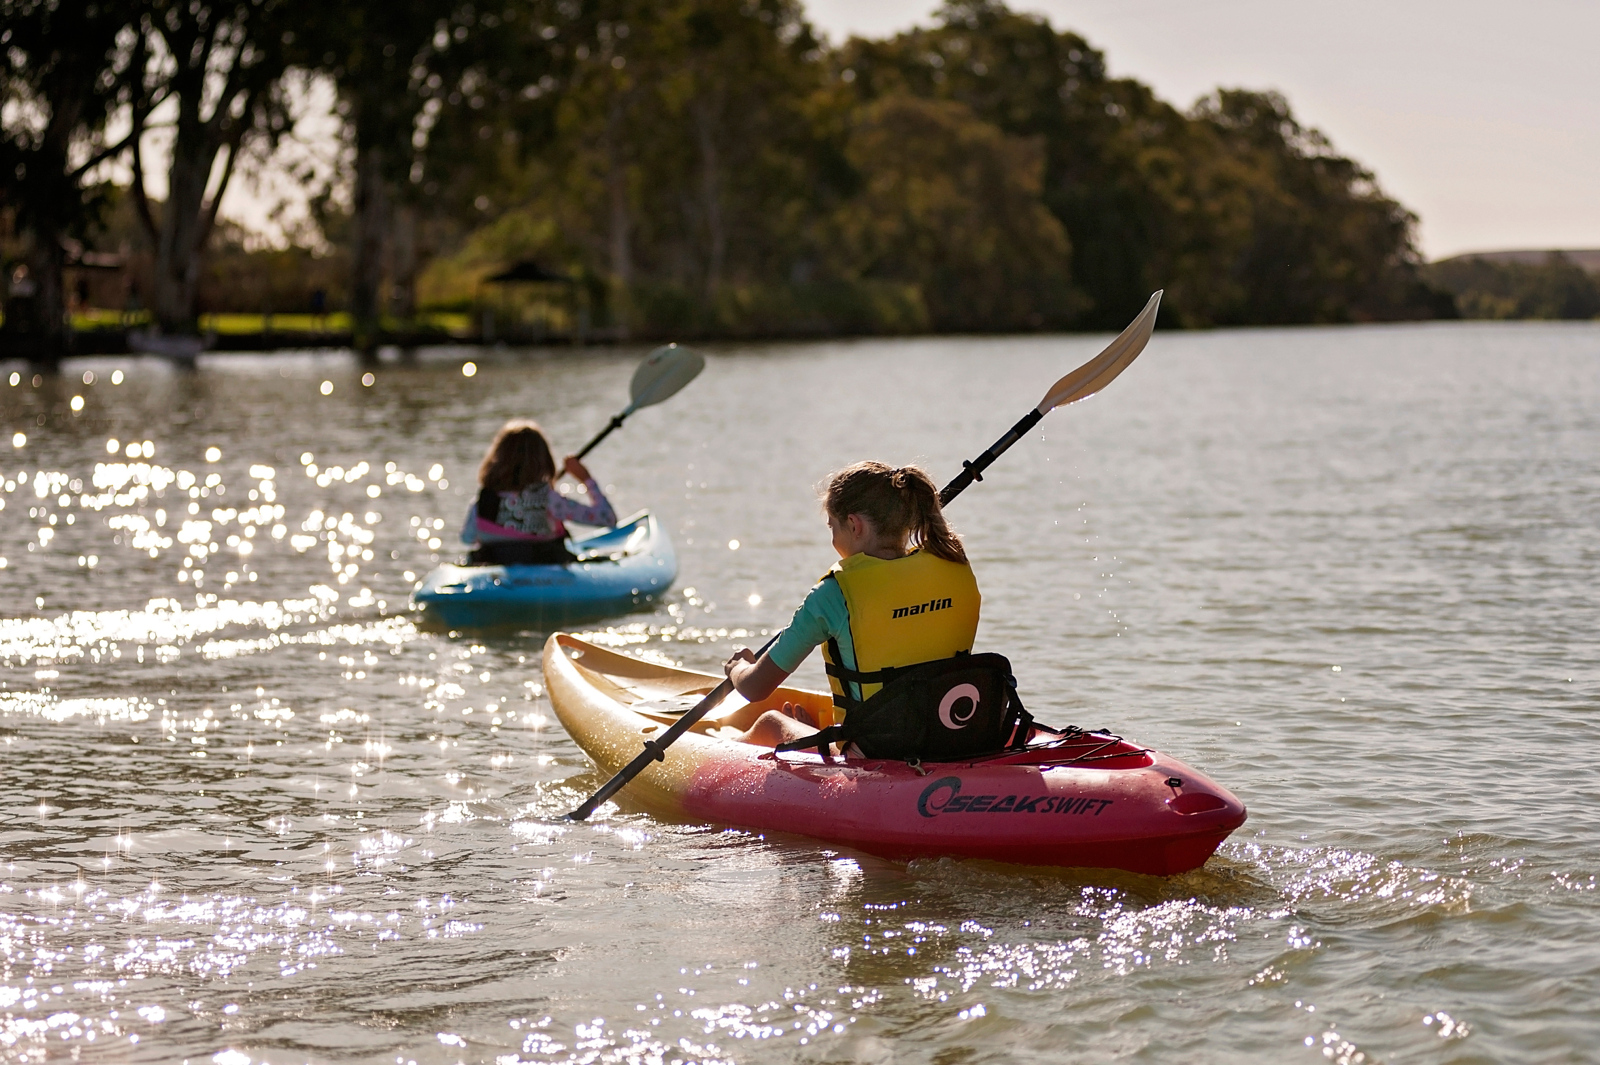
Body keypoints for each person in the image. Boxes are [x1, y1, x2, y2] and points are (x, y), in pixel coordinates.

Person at [724, 461, 979, 749]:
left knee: (770, 723)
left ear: (854, 525)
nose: (832, 538)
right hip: (954, 737)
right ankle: (814, 735)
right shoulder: (955, 565)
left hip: (874, 753)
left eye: (833, 526)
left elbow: (755, 687)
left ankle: (727, 745)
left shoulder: (832, 594)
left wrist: (737, 668)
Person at [460, 420, 617, 565]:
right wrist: (585, 478)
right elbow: (608, 518)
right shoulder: (550, 500)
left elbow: (467, 538)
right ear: (544, 461)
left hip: (496, 570)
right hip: (545, 571)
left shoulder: (482, 501)